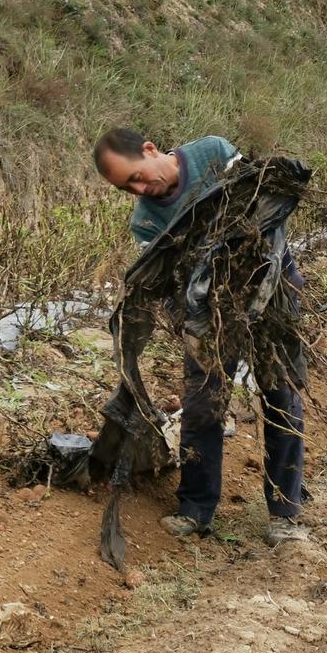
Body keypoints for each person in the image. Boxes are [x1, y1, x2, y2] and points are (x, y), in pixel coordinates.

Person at [93, 127, 308, 546]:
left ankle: (285, 513)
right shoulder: (146, 220)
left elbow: (259, 202)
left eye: (136, 175)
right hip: (210, 311)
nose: (139, 188)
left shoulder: (212, 152)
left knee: (282, 395)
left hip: (273, 285)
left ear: (150, 150)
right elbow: (168, 278)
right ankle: (195, 508)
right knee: (202, 403)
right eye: (127, 187)